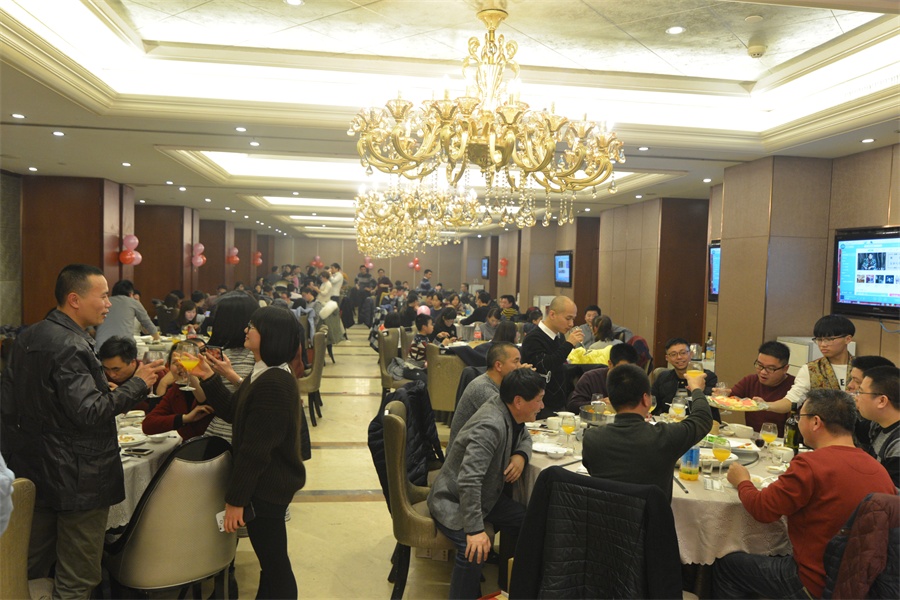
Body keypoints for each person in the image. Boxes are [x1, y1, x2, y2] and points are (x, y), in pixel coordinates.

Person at [0, 264, 163, 598]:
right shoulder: (71, 344)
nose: (109, 304)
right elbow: (89, 412)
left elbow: (10, 405)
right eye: (103, 296)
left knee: (27, 569)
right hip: (78, 476)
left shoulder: (27, 337)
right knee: (78, 576)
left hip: (34, 469)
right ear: (74, 299)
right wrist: (137, 384)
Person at [715, 389, 895, 599]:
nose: (797, 423)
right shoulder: (879, 470)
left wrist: (742, 481)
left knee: (727, 565)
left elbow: (762, 509)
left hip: (814, 582)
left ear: (815, 422)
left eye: (800, 417)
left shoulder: (811, 464)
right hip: (862, 587)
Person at [195, 306, 306, 600]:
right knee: (270, 564)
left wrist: (236, 501)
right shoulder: (265, 371)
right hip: (267, 484)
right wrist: (208, 376)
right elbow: (235, 411)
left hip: (267, 487)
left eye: (253, 327)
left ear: (269, 335)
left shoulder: (274, 382)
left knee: (275, 566)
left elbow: (255, 452)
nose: (246, 330)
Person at [428, 369, 543, 599]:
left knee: (528, 521)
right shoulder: (490, 425)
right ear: (518, 401)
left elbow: (524, 435)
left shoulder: (508, 410)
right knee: (473, 549)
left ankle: (510, 582)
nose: (542, 406)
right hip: (453, 499)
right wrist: (475, 530)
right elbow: (469, 479)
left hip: (486, 496)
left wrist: (520, 455)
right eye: (539, 400)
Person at [582, 364, 712, 503]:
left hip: (606, 515)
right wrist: (696, 389)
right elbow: (702, 419)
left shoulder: (591, 438)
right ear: (646, 399)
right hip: (652, 516)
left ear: (612, 402)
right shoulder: (665, 437)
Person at [767, 314, 855, 414]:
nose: (823, 345)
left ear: (848, 339)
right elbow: (792, 400)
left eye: (829, 339)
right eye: (819, 340)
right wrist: (766, 405)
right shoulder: (811, 369)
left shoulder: (862, 368)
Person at [202, 292, 259, 443]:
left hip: (245, 434)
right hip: (217, 431)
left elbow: (259, 396)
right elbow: (204, 399)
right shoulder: (217, 352)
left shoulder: (257, 353)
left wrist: (229, 374)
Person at [449, 342, 525, 444]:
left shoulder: (502, 385)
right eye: (516, 361)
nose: (520, 366)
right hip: (470, 452)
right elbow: (512, 420)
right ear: (498, 365)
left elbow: (522, 431)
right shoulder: (482, 388)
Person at [520, 295, 584, 418]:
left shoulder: (559, 336)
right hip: (540, 406)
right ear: (552, 314)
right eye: (568, 318)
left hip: (558, 403)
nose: (571, 324)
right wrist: (569, 344)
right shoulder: (533, 338)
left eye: (573, 319)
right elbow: (545, 366)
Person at [142, 343, 215, 441]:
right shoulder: (175, 390)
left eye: (186, 360)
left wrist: (190, 373)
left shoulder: (212, 385)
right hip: (187, 446)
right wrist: (184, 418)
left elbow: (204, 400)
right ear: (168, 366)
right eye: (175, 363)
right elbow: (148, 425)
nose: (181, 366)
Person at [726, 341, 796, 436]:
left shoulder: (795, 388)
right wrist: (723, 394)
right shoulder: (750, 381)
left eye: (770, 368)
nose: (763, 372)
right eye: (760, 365)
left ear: (785, 369)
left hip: (780, 441)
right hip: (753, 438)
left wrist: (765, 405)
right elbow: (731, 397)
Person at [853, 365, 900, 487]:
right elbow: (855, 429)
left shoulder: (897, 445)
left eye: (860, 392)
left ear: (882, 401)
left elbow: (892, 494)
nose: (856, 398)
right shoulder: (878, 424)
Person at [651, 337, 718, 416]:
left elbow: (711, 407)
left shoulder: (707, 377)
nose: (679, 357)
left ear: (691, 354)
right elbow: (652, 403)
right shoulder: (663, 378)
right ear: (667, 358)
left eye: (683, 353)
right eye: (673, 354)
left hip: (698, 422)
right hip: (670, 422)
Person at [567, 343, 640, 412]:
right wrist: (599, 404)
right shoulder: (591, 378)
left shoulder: (635, 380)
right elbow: (573, 405)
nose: (626, 374)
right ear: (610, 364)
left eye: (630, 369)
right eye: (622, 369)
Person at [94, 279, 159, 348]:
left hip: (100, 346)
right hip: (123, 347)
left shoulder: (104, 302)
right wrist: (157, 339)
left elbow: (90, 324)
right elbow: (148, 324)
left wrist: (93, 332)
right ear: (130, 293)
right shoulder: (134, 302)